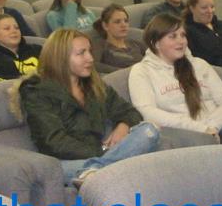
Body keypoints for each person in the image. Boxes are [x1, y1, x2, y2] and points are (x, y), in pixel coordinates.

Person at [12, 28, 159, 185]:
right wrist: (102, 152)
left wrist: (123, 126)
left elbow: (130, 112)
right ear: (60, 57)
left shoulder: (95, 85)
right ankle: (105, 168)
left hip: (98, 156)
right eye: (81, 53)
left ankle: (95, 170)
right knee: (122, 164)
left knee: (149, 130)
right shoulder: (37, 90)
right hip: (64, 162)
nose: (90, 58)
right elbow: (53, 141)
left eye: (89, 51)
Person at [130, 14, 222, 145]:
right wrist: (200, 129)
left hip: (216, 125)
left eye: (183, 35)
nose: (181, 41)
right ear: (156, 43)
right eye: (173, 36)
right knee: (202, 143)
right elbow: (148, 112)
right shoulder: (142, 71)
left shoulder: (199, 65)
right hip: (181, 130)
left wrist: (211, 126)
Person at [0, 14, 41, 83]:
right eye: (7, 28)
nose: (14, 31)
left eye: (17, 28)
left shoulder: (37, 49)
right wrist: (18, 83)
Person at [90, 4, 145, 71]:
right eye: (117, 22)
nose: (123, 25)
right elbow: (94, 65)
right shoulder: (100, 45)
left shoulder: (135, 43)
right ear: (105, 26)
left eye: (126, 21)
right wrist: (122, 72)